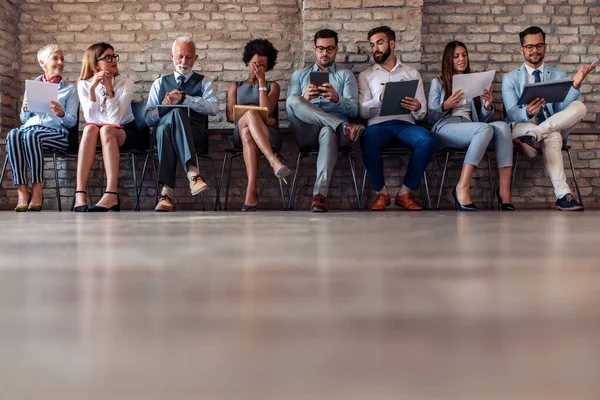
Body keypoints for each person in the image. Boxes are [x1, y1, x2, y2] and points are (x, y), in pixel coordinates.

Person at [502, 26, 596, 211]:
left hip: (549, 126)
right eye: (529, 47)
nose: (534, 50)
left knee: (579, 106)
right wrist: (527, 112)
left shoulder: (558, 74)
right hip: (524, 127)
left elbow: (562, 109)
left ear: (545, 47)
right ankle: (563, 196)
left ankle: (537, 134)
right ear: (522, 49)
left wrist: (575, 86)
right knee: (552, 136)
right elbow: (512, 112)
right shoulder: (510, 78)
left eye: (539, 46)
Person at [428, 41, 514, 211]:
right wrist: (446, 105)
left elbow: (481, 119)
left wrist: (487, 105)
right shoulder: (438, 83)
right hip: (446, 127)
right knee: (484, 129)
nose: (461, 59)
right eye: (456, 56)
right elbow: (430, 117)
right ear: (448, 60)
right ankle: (462, 186)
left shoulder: (474, 81)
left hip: (471, 126)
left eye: (464, 55)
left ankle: (504, 191)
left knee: (503, 127)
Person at [358, 26, 436, 211]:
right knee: (367, 137)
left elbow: (422, 112)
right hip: (378, 126)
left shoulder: (411, 73)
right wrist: (380, 99)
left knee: (428, 139)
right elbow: (362, 111)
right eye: (372, 45)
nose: (375, 48)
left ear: (392, 44)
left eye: (380, 43)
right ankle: (382, 193)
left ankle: (404, 193)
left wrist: (417, 107)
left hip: (406, 125)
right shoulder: (366, 75)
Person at [286, 29, 363, 212]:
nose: (324, 53)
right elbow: (290, 107)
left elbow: (354, 110)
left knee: (328, 131)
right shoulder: (300, 75)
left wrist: (337, 99)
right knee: (293, 99)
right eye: (320, 48)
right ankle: (342, 126)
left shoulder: (345, 75)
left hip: (331, 133)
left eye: (329, 49)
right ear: (314, 49)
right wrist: (305, 98)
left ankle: (319, 196)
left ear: (336, 50)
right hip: (306, 129)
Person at [145, 36, 218, 212]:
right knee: (166, 125)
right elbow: (148, 118)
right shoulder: (159, 83)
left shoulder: (204, 82)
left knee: (167, 127)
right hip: (163, 135)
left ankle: (166, 192)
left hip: (195, 135)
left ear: (195, 58)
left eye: (188, 57)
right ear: (172, 55)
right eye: (180, 56)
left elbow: (213, 108)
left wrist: (185, 99)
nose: (184, 61)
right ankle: (192, 173)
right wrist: (164, 106)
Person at [6, 44, 79, 212]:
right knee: (13, 134)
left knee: (31, 135)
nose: (60, 62)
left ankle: (37, 189)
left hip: (57, 134)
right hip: (30, 131)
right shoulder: (33, 86)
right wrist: (25, 108)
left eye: (62, 59)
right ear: (42, 62)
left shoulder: (70, 89)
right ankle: (22, 190)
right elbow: (24, 119)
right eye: (55, 58)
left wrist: (61, 113)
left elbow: (72, 122)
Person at [75, 42, 146, 212]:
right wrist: (92, 90)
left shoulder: (125, 82)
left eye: (114, 56)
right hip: (98, 133)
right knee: (90, 129)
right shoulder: (84, 84)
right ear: (95, 63)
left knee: (106, 129)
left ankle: (111, 193)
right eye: (107, 57)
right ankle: (80, 194)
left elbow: (116, 119)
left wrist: (109, 88)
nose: (113, 60)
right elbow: (90, 119)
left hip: (126, 131)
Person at [226, 39, 290, 211]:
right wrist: (256, 116)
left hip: (267, 135)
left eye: (262, 66)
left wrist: (262, 83)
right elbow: (231, 116)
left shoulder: (273, 86)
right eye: (255, 64)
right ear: (248, 62)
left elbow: (267, 110)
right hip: (238, 132)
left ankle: (251, 192)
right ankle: (273, 161)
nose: (258, 69)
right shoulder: (235, 86)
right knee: (249, 119)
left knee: (248, 133)